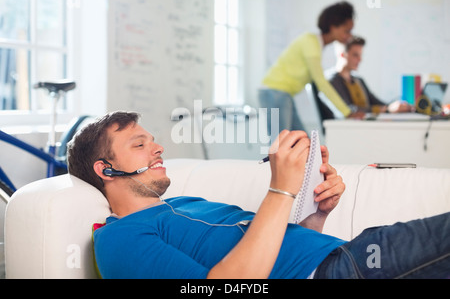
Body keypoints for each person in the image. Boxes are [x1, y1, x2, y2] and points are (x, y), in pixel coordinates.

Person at [67, 111, 450, 279]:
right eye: (139, 144)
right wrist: (280, 188)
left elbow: (272, 260)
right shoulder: (118, 238)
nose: (158, 148)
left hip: (344, 256)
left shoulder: (182, 206)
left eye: (153, 140)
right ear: (106, 169)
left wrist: (315, 212)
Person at [259, 1, 361, 137]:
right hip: (275, 92)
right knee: (280, 144)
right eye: (347, 31)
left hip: (283, 94)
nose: (349, 36)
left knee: (303, 141)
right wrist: (347, 112)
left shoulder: (316, 45)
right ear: (333, 27)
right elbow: (321, 83)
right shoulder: (311, 43)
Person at [329, 36, 413, 115]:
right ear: (342, 54)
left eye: (360, 55)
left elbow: (376, 102)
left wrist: (395, 106)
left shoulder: (358, 80)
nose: (360, 59)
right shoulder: (333, 81)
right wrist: (387, 109)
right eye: (355, 55)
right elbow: (349, 109)